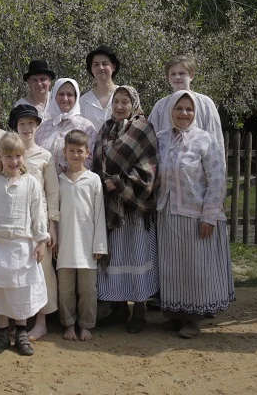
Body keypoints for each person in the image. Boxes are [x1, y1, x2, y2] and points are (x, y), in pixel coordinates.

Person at [155, 91, 233, 339]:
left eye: (189, 109)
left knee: (194, 268)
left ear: (195, 113)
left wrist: (209, 215)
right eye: (179, 108)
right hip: (167, 213)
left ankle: (194, 318)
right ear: (171, 112)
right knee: (171, 268)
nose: (184, 113)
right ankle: (175, 314)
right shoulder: (160, 138)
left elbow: (217, 180)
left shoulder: (204, 140)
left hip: (195, 214)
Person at [0, 133, 49, 356]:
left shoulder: (31, 183)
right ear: (0, 157)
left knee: (20, 291)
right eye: (9, 157)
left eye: (18, 156)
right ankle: (2, 333)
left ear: (23, 157)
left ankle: (22, 331)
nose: (14, 161)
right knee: (0, 291)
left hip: (22, 246)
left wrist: (41, 241)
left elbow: (39, 214)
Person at [93, 85, 160, 333]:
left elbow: (149, 168)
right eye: (116, 101)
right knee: (117, 258)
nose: (120, 106)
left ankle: (139, 312)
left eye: (125, 102)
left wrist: (121, 184)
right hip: (111, 208)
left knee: (137, 257)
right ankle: (120, 308)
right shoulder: (105, 129)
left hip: (134, 210)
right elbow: (96, 163)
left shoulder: (143, 129)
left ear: (134, 104)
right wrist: (103, 182)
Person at [8, 104, 60, 341]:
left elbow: (52, 193)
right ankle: (18, 319)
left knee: (42, 270)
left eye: (31, 123)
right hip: (15, 221)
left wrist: (52, 226)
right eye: (22, 124)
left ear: (37, 125)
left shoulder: (45, 156)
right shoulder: (9, 155)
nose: (27, 128)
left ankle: (41, 321)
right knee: (18, 269)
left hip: (39, 222)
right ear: (15, 127)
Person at [56, 130, 107, 342]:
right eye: (71, 151)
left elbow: (99, 213)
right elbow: (53, 213)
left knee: (87, 289)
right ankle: (68, 324)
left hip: (87, 245)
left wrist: (100, 245)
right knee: (65, 290)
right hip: (65, 244)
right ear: (64, 152)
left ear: (88, 153)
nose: (76, 155)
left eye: (80, 151)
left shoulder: (93, 180)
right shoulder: (58, 180)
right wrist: (54, 240)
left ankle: (86, 325)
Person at [148, 54, 224, 157]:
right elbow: (150, 140)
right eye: (173, 74)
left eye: (182, 73)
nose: (177, 77)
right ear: (168, 78)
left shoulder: (206, 103)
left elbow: (215, 140)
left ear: (191, 75)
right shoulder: (160, 106)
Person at [36, 78, 97, 173]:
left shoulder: (86, 127)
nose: (65, 98)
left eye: (69, 94)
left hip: (74, 184)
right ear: (54, 96)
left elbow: (90, 159)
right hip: (45, 185)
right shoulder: (43, 127)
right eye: (61, 94)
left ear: (76, 98)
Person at [80, 47, 119, 131]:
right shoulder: (83, 101)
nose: (101, 67)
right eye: (96, 64)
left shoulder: (125, 95)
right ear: (91, 69)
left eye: (105, 64)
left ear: (113, 67)